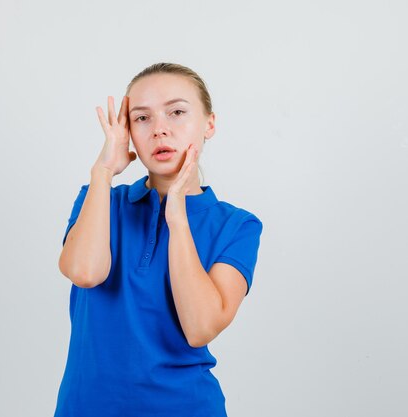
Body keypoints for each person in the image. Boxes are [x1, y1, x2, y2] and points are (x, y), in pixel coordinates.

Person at [54, 62, 263, 417]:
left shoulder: (237, 225)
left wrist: (177, 217)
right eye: (142, 118)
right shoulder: (101, 198)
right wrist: (102, 171)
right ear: (127, 131)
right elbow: (85, 272)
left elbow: (199, 328)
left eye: (177, 112)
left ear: (209, 124)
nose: (160, 130)